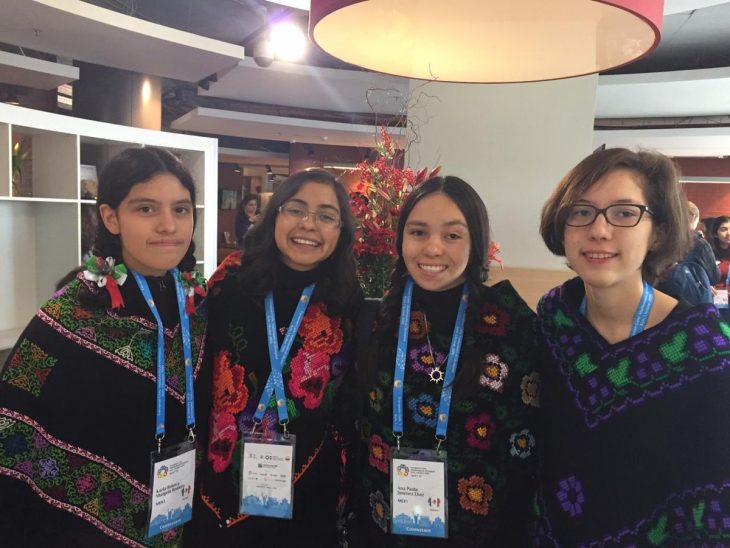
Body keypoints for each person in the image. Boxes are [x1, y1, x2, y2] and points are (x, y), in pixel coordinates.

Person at [0, 146, 210, 546]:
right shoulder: (70, 312)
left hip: (180, 515)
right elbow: (12, 413)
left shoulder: (195, 306)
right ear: (111, 217)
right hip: (80, 530)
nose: (168, 225)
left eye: (181, 210)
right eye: (146, 209)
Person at [533, 148, 730, 545]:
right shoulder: (555, 318)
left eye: (625, 213)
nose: (599, 230)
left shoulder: (706, 348)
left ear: (657, 231)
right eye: (581, 211)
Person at [359, 176, 539, 546]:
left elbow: (527, 440)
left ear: (476, 244)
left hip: (478, 529)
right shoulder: (384, 316)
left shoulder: (509, 320)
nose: (433, 248)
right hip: (385, 521)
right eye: (419, 232)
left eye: (452, 235)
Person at [191, 169, 362, 545]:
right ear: (274, 216)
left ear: (341, 231)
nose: (309, 225)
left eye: (326, 216)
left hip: (312, 487)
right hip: (224, 483)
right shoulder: (231, 283)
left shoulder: (348, 302)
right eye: (296, 209)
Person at [657, 200, 719, 304]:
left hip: (659, 298)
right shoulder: (699, 243)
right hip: (690, 301)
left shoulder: (656, 238)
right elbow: (714, 277)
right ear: (694, 217)